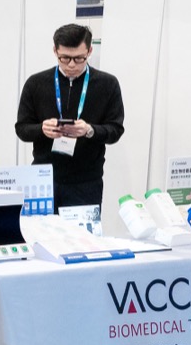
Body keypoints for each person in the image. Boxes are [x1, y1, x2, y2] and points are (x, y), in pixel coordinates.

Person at [14, 24, 125, 211]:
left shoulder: (107, 84)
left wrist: (89, 130)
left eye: (79, 58)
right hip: (43, 179)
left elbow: (116, 130)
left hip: (86, 182)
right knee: (39, 229)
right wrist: (41, 129)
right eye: (64, 58)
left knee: (82, 231)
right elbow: (22, 128)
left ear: (89, 51)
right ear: (55, 51)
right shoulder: (36, 83)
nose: (71, 65)